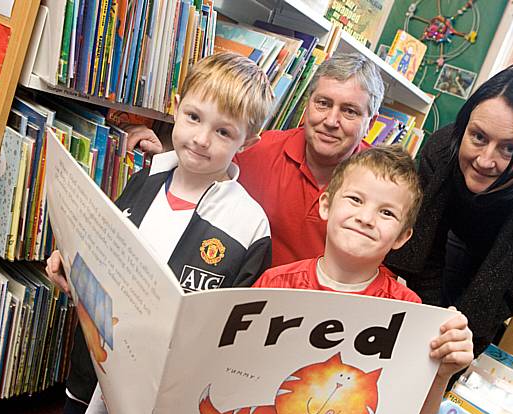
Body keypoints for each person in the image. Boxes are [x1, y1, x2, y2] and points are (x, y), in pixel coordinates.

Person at [45, 52, 275, 414]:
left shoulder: (250, 226)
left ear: (247, 142)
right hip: (95, 370)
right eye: (194, 117)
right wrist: (70, 263)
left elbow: (237, 332)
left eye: (223, 132)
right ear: (175, 105)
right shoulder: (146, 178)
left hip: (161, 400)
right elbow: (101, 251)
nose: (202, 139)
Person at [253, 146, 474, 414]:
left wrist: (442, 374)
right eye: (355, 199)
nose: (366, 218)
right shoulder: (275, 285)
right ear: (326, 205)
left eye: (386, 213)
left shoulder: (408, 311)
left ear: (402, 236)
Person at [385, 64, 513, 357]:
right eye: (478, 137)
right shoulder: (441, 148)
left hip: (505, 255)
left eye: (509, 149)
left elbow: (511, 289)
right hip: (452, 232)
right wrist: (433, 326)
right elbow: (424, 248)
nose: (485, 160)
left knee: (463, 342)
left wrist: (459, 344)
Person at [124, 52, 384, 267]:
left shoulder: (382, 186)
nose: (330, 121)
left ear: (370, 122)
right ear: (307, 104)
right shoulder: (259, 151)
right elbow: (205, 160)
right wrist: (165, 155)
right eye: (323, 103)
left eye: (349, 111)